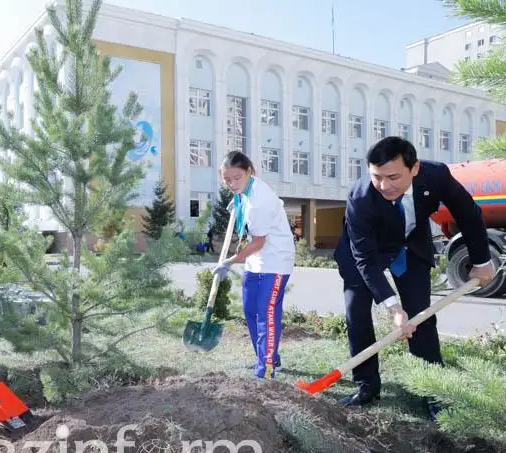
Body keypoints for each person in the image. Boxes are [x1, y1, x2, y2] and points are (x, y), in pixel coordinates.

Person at [333, 136, 496, 420]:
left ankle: (432, 390)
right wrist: (394, 308)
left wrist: (482, 261)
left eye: (393, 176)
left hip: (410, 244)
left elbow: (468, 214)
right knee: (356, 311)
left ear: (415, 168)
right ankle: (367, 384)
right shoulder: (360, 198)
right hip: (364, 252)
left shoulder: (436, 175)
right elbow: (365, 259)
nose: (384, 185)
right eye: (377, 177)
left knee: (421, 316)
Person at [212, 150, 295, 378]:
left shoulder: (260, 200)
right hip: (257, 260)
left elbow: (258, 241)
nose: (231, 183)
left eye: (236, 178)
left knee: (266, 312)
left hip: (275, 259)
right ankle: (267, 356)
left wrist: (230, 261)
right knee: (250, 310)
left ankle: (265, 369)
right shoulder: (244, 191)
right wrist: (237, 203)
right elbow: (252, 235)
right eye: (227, 179)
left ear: (249, 171)